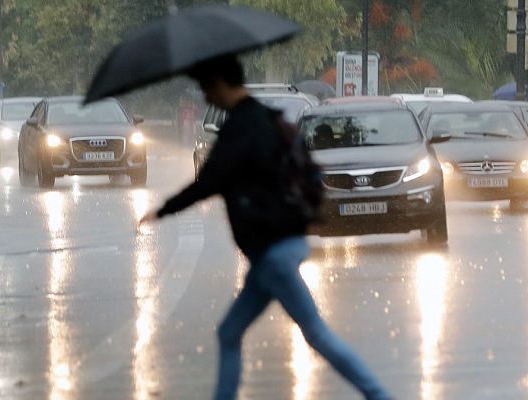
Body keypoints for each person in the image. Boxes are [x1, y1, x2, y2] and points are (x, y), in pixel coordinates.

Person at [139, 55, 392, 400]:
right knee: (229, 332)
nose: (205, 97)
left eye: (207, 89)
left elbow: (209, 181)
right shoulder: (270, 120)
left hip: (273, 252)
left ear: (221, 85)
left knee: (316, 333)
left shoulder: (240, 129)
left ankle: (379, 395)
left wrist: (163, 210)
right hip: (278, 245)